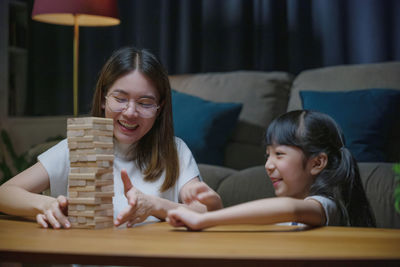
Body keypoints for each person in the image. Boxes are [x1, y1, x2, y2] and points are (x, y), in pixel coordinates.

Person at [0, 47, 222, 229]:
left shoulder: (174, 150)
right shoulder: (78, 146)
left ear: (159, 107)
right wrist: (45, 204)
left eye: (145, 103)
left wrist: (155, 205)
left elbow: (204, 211)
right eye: (120, 98)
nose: (130, 112)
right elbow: (5, 193)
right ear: (104, 98)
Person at [167, 110, 376, 230]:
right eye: (268, 155)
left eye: (279, 154)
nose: (268, 164)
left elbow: (290, 208)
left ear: (317, 163)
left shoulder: (327, 205)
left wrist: (205, 219)